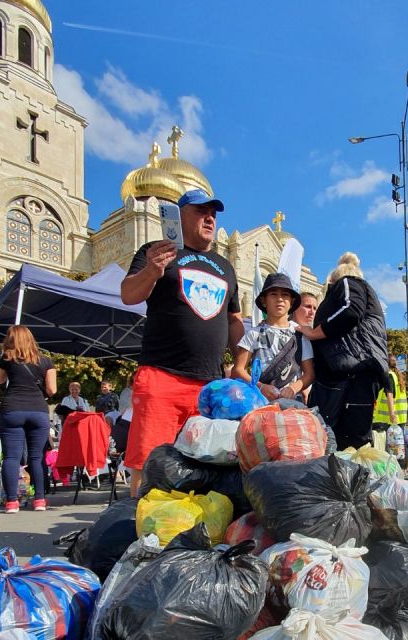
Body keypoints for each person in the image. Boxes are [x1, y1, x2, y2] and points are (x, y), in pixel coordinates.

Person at [120, 188, 242, 497]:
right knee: (149, 461)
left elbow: (232, 320)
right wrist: (152, 270)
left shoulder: (225, 267)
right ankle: (138, 534)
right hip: (163, 375)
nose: (210, 218)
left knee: (205, 464)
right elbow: (129, 294)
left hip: (211, 386)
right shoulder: (157, 251)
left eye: (213, 213)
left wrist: (246, 359)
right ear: (180, 215)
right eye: (201, 211)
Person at [298, 252, 389, 450]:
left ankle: (349, 479)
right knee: (349, 442)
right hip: (354, 372)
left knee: (345, 441)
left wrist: (315, 333)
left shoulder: (349, 282)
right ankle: (351, 478)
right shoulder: (364, 292)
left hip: (351, 373)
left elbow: (350, 310)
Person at [0, 325, 57, 512]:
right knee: (37, 457)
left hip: (12, 408)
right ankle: (39, 500)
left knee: (11, 457)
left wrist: (4, 355)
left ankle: (12, 501)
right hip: (38, 410)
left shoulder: (6, 358)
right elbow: (52, 390)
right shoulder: (45, 361)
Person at [233, 272, 315, 401]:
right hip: (260, 401)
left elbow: (309, 374)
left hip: (292, 404)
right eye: (273, 294)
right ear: (264, 300)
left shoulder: (300, 335)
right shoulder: (253, 333)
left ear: (291, 302)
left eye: (285, 295)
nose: (280, 299)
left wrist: (293, 388)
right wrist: (260, 387)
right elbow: (238, 369)